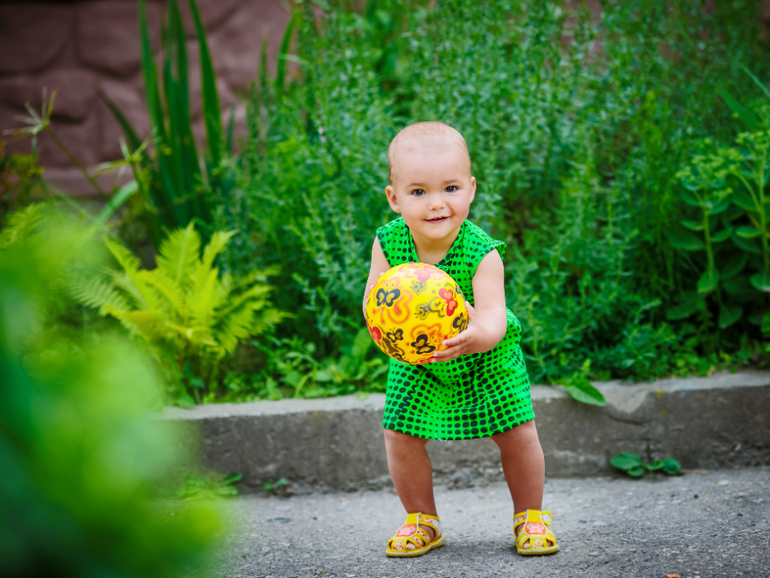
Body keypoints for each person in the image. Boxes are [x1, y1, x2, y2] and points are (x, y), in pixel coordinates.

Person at [363, 122, 559, 558]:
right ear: (394, 199)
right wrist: (385, 330)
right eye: (418, 193)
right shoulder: (389, 242)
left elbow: (493, 318)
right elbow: (374, 298)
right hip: (420, 357)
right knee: (399, 432)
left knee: (517, 432)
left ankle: (530, 515)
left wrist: (478, 333)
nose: (436, 204)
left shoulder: (481, 252)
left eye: (450, 188)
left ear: (471, 190)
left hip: (486, 356)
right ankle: (422, 519)